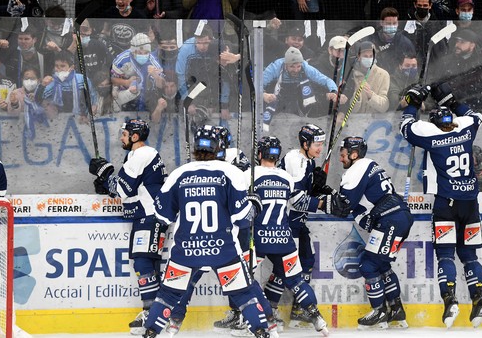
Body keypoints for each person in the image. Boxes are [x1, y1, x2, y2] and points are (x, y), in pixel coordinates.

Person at [140, 125, 275, 338]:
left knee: (167, 295)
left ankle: (150, 333)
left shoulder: (179, 174)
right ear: (219, 147)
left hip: (185, 251)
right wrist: (255, 205)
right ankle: (261, 332)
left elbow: (162, 216)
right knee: (243, 294)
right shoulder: (230, 172)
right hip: (223, 251)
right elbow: (242, 219)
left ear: (195, 147)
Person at [400, 83, 482, 328]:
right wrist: (450, 99)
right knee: (470, 256)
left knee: (446, 255)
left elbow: (406, 128)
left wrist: (414, 103)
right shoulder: (466, 128)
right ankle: (480, 301)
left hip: (445, 205)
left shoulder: (431, 135)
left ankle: (450, 300)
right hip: (470, 204)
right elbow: (474, 116)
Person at [88, 119, 168, 336]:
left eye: (124, 134)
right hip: (149, 215)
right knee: (149, 264)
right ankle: (159, 314)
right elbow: (127, 189)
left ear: (134, 136)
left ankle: (152, 313)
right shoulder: (137, 155)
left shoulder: (142, 154)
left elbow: (122, 189)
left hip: (149, 215)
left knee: (143, 262)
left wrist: (104, 173)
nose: (121, 137)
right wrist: (106, 184)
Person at [250, 136, 328, 335]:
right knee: (296, 280)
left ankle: (260, 319)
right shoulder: (285, 177)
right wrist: (321, 203)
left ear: (260, 154)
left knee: (244, 278)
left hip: (258, 239)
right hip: (283, 238)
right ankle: (317, 318)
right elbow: (299, 202)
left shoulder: (249, 175)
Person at [334, 136, 413, 329]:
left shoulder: (355, 170)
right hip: (397, 217)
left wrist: (319, 196)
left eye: (343, 155)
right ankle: (396, 309)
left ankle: (379, 311)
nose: (341, 159)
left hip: (390, 221)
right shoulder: (370, 164)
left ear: (354, 155)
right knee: (382, 265)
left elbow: (342, 206)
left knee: (368, 265)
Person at [270, 124, 331, 328]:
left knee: (306, 261)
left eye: (322, 144)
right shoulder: (296, 161)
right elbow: (296, 200)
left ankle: (298, 310)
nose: (320, 148)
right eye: (317, 144)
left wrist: (318, 188)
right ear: (305, 143)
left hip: (298, 223)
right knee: (285, 270)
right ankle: (269, 311)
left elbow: (305, 195)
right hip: (287, 222)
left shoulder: (307, 162)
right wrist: (323, 203)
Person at [262, 47, 345, 130]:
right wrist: (263, 94)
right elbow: (258, 84)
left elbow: (326, 80)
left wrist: (334, 91)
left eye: (298, 66)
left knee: (311, 94)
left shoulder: (305, 67)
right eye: (292, 66)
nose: (296, 70)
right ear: (285, 64)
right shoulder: (275, 67)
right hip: (277, 92)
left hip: (297, 92)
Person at [429, 28, 482, 119]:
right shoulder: (446, 62)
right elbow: (436, 87)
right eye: (457, 41)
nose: (457, 45)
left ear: (472, 45)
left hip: (476, 114)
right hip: (449, 115)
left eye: (462, 42)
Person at [110, 32, 165, 113]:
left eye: (146, 53)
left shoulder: (153, 61)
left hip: (147, 98)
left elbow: (162, 85)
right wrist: (126, 82)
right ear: (133, 51)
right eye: (139, 53)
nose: (143, 55)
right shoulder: (121, 59)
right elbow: (112, 79)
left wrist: (155, 75)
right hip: (124, 95)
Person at [38, 50, 96, 120]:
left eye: (62, 66)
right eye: (56, 66)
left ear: (71, 67)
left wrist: (88, 112)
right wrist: (42, 86)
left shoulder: (82, 80)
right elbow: (38, 100)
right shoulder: (52, 82)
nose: (59, 69)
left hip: (81, 119)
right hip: (58, 122)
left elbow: (92, 98)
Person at [342, 41, 390, 114]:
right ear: (359, 57)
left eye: (371, 56)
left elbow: (384, 106)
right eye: (365, 56)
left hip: (375, 120)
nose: (368, 59)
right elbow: (350, 109)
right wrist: (357, 96)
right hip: (356, 121)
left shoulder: (383, 74)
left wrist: (371, 95)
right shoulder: (352, 74)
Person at [367, 6, 416, 75]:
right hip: (377, 75)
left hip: (398, 79)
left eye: (394, 23)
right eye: (388, 24)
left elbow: (412, 64)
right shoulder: (373, 39)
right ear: (381, 23)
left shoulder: (405, 43)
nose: (392, 26)